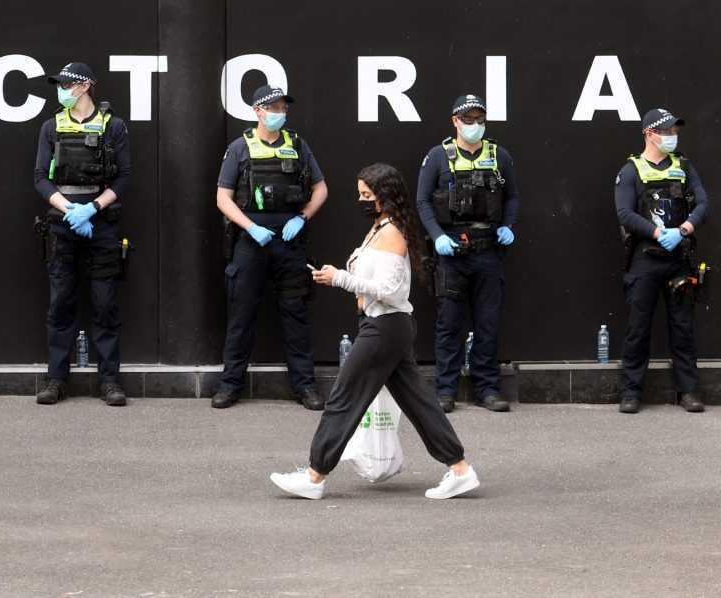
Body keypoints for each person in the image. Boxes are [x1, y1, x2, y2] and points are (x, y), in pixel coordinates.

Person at [270, 163, 479, 500]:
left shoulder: (392, 232)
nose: (361, 200)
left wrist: (338, 278)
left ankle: (314, 476)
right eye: (359, 194)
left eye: (367, 195)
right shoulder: (380, 227)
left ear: (384, 196)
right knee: (420, 403)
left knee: (343, 398)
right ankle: (460, 470)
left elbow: (390, 290)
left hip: (384, 328)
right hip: (386, 326)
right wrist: (339, 276)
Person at [212, 85, 329, 410]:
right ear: (257, 111)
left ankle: (305, 387)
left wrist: (303, 217)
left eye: (282, 108)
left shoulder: (298, 146)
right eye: (272, 107)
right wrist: (250, 227)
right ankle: (229, 385)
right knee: (241, 316)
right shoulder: (239, 148)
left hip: (289, 240)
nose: (279, 113)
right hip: (251, 239)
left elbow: (321, 188)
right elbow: (223, 197)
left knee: (296, 316)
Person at [32, 62, 132, 407]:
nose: (61, 90)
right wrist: (69, 210)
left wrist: (93, 208)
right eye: (59, 85)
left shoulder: (113, 126)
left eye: (67, 84)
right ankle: (56, 379)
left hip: (101, 225)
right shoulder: (50, 126)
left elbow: (123, 179)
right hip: (62, 224)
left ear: (85, 86)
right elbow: (40, 178)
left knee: (104, 304)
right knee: (61, 303)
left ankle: (109, 381)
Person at [416, 94, 519, 413]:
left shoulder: (499, 155)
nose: (475, 125)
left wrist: (508, 225)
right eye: (468, 119)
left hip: (488, 250)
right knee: (449, 323)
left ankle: (486, 388)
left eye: (479, 119)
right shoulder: (437, 156)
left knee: (487, 323)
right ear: (455, 121)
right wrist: (436, 237)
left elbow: (512, 197)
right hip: (451, 251)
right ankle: (445, 390)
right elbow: (422, 201)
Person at [614, 108, 709, 414]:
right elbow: (625, 214)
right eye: (665, 131)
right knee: (638, 328)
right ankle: (630, 392)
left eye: (674, 131)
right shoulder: (631, 170)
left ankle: (689, 391)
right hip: (646, 259)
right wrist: (656, 232)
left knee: (682, 327)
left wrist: (683, 230)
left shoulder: (683, 165)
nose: (671, 136)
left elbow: (703, 202)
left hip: (678, 257)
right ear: (649, 133)